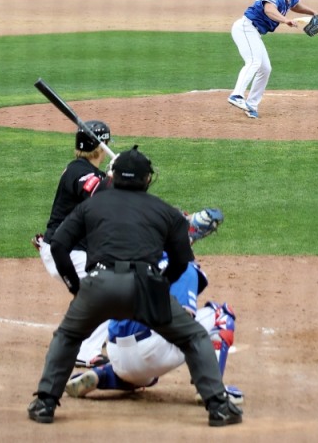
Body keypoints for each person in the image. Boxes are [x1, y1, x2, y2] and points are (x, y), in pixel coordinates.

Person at [26, 146, 242, 428]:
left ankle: (45, 403)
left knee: (67, 336)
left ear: (112, 176)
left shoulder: (91, 206)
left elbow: (58, 246)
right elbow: (181, 260)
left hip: (99, 285)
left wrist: (76, 287)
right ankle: (218, 407)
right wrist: (161, 286)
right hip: (146, 287)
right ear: (147, 179)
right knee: (194, 337)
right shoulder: (164, 210)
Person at [64, 258, 242, 407]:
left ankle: (104, 374)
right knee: (221, 315)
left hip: (116, 352)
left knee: (147, 374)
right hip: (150, 352)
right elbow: (185, 325)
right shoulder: (183, 267)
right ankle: (212, 388)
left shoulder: (127, 258)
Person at [32, 119, 113, 367]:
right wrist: (114, 175)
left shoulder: (82, 169)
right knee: (113, 289)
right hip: (66, 253)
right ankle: (85, 350)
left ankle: (77, 337)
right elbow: (99, 193)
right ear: (101, 147)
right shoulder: (81, 172)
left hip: (69, 250)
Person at [227, 0, 318, 120]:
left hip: (254, 33)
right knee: (254, 61)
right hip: (245, 28)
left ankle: (251, 105)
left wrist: (314, 13)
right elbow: (269, 10)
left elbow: (296, 6)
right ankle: (236, 95)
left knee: (265, 69)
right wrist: (285, 20)